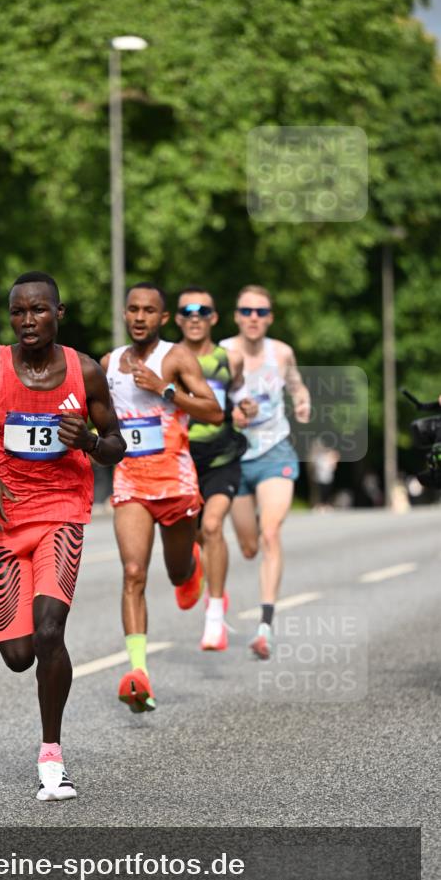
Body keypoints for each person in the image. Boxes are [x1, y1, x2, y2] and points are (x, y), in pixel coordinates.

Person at [0, 271, 125, 801]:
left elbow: (117, 444)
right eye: (19, 311)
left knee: (50, 631)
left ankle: (52, 757)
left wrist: (92, 441)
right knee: (19, 655)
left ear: (59, 312)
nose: (28, 320)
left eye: (39, 310)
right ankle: (45, 721)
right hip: (8, 521)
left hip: (63, 512)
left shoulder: (85, 372)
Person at [100, 282, 224, 713]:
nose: (139, 317)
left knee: (175, 574)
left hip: (175, 484)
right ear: (124, 313)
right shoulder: (109, 363)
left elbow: (213, 411)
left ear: (162, 318)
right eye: (133, 309)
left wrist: (164, 390)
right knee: (134, 572)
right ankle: (139, 673)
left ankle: (192, 565)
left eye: (148, 311)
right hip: (130, 482)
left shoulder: (176, 357)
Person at [220, 285, 311, 659]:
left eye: (261, 312)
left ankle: (264, 626)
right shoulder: (222, 352)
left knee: (271, 532)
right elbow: (205, 397)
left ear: (270, 317)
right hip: (235, 456)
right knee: (248, 546)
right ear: (237, 315)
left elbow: (296, 385)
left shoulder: (282, 352)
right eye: (246, 311)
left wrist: (302, 402)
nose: (253, 318)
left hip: (276, 451)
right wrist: (232, 414)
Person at [175, 287, 257, 650]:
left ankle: (215, 616)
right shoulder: (167, 359)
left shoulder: (231, 358)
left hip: (223, 456)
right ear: (176, 318)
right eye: (187, 311)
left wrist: (245, 409)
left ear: (214, 317)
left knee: (212, 525)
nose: (195, 317)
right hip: (180, 458)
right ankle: (196, 566)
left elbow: (237, 395)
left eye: (203, 311)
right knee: (193, 534)